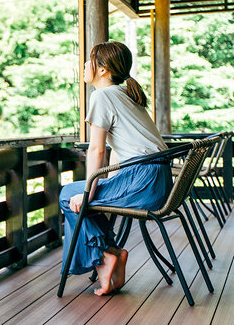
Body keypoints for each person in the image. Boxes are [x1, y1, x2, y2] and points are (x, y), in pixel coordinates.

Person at [59, 41, 171, 296]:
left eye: (91, 60)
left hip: (144, 181)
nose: (85, 65)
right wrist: (98, 187)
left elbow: (98, 150)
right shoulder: (125, 94)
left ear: (104, 69)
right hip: (157, 180)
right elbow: (121, 151)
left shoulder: (102, 95)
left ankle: (106, 256)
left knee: (69, 195)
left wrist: (88, 192)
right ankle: (110, 254)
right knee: (81, 195)